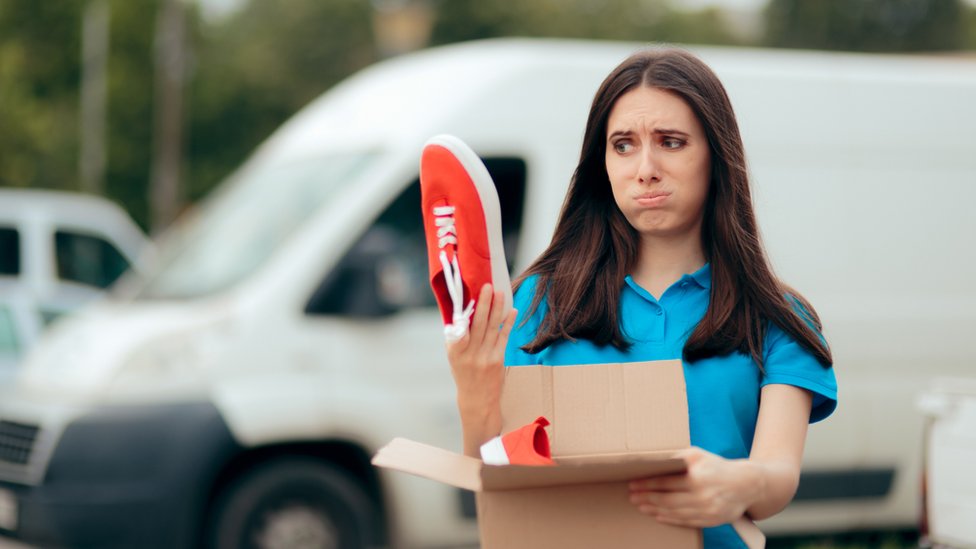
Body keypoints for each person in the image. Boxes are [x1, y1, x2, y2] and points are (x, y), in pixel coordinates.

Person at [443, 48, 837, 548]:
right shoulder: (539, 303)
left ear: (716, 155)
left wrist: (736, 484)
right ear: (601, 163)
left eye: (671, 142)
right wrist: (472, 393)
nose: (644, 168)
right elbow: (495, 477)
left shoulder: (775, 318)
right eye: (623, 145)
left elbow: (775, 479)